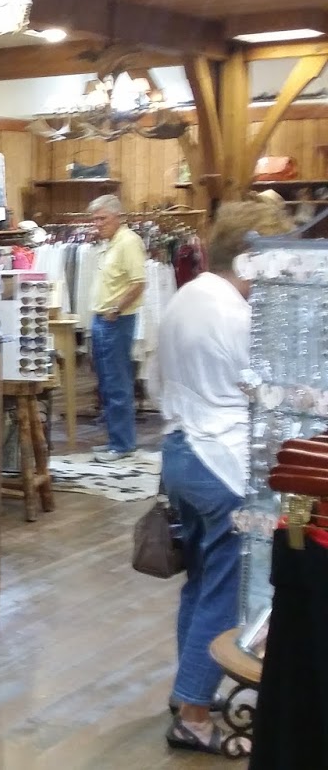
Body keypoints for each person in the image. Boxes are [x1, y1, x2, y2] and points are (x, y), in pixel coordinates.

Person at [156, 201, 291, 756]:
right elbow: (268, 393)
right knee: (224, 592)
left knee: (200, 581)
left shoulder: (187, 295)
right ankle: (193, 713)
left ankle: (189, 691)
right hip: (222, 462)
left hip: (180, 452)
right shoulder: (238, 315)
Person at [89, 194, 147, 461]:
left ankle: (123, 444)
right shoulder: (111, 243)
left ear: (117, 217)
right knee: (106, 382)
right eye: (95, 219)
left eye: (102, 218)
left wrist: (116, 309)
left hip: (117, 321)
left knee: (118, 381)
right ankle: (115, 439)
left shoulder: (129, 242)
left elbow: (138, 283)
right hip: (102, 319)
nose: (97, 224)